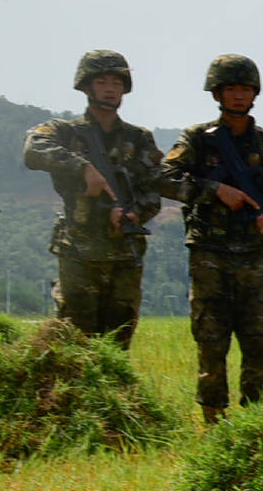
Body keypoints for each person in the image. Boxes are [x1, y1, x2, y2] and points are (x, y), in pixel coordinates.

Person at [159, 54, 263, 422]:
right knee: (211, 337)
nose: (239, 96)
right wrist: (214, 190)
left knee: (259, 338)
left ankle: (256, 422)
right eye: (231, 89)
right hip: (211, 253)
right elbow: (164, 179)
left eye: (245, 89)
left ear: (255, 93)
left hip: (255, 254)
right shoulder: (197, 140)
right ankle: (213, 423)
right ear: (218, 93)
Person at [22, 49, 164, 347]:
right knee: (75, 341)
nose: (111, 89)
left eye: (117, 82)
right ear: (86, 86)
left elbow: (153, 192)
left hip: (124, 254)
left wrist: (133, 213)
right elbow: (33, 148)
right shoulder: (66, 131)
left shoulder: (139, 139)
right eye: (102, 81)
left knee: (117, 343)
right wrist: (82, 167)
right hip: (79, 251)